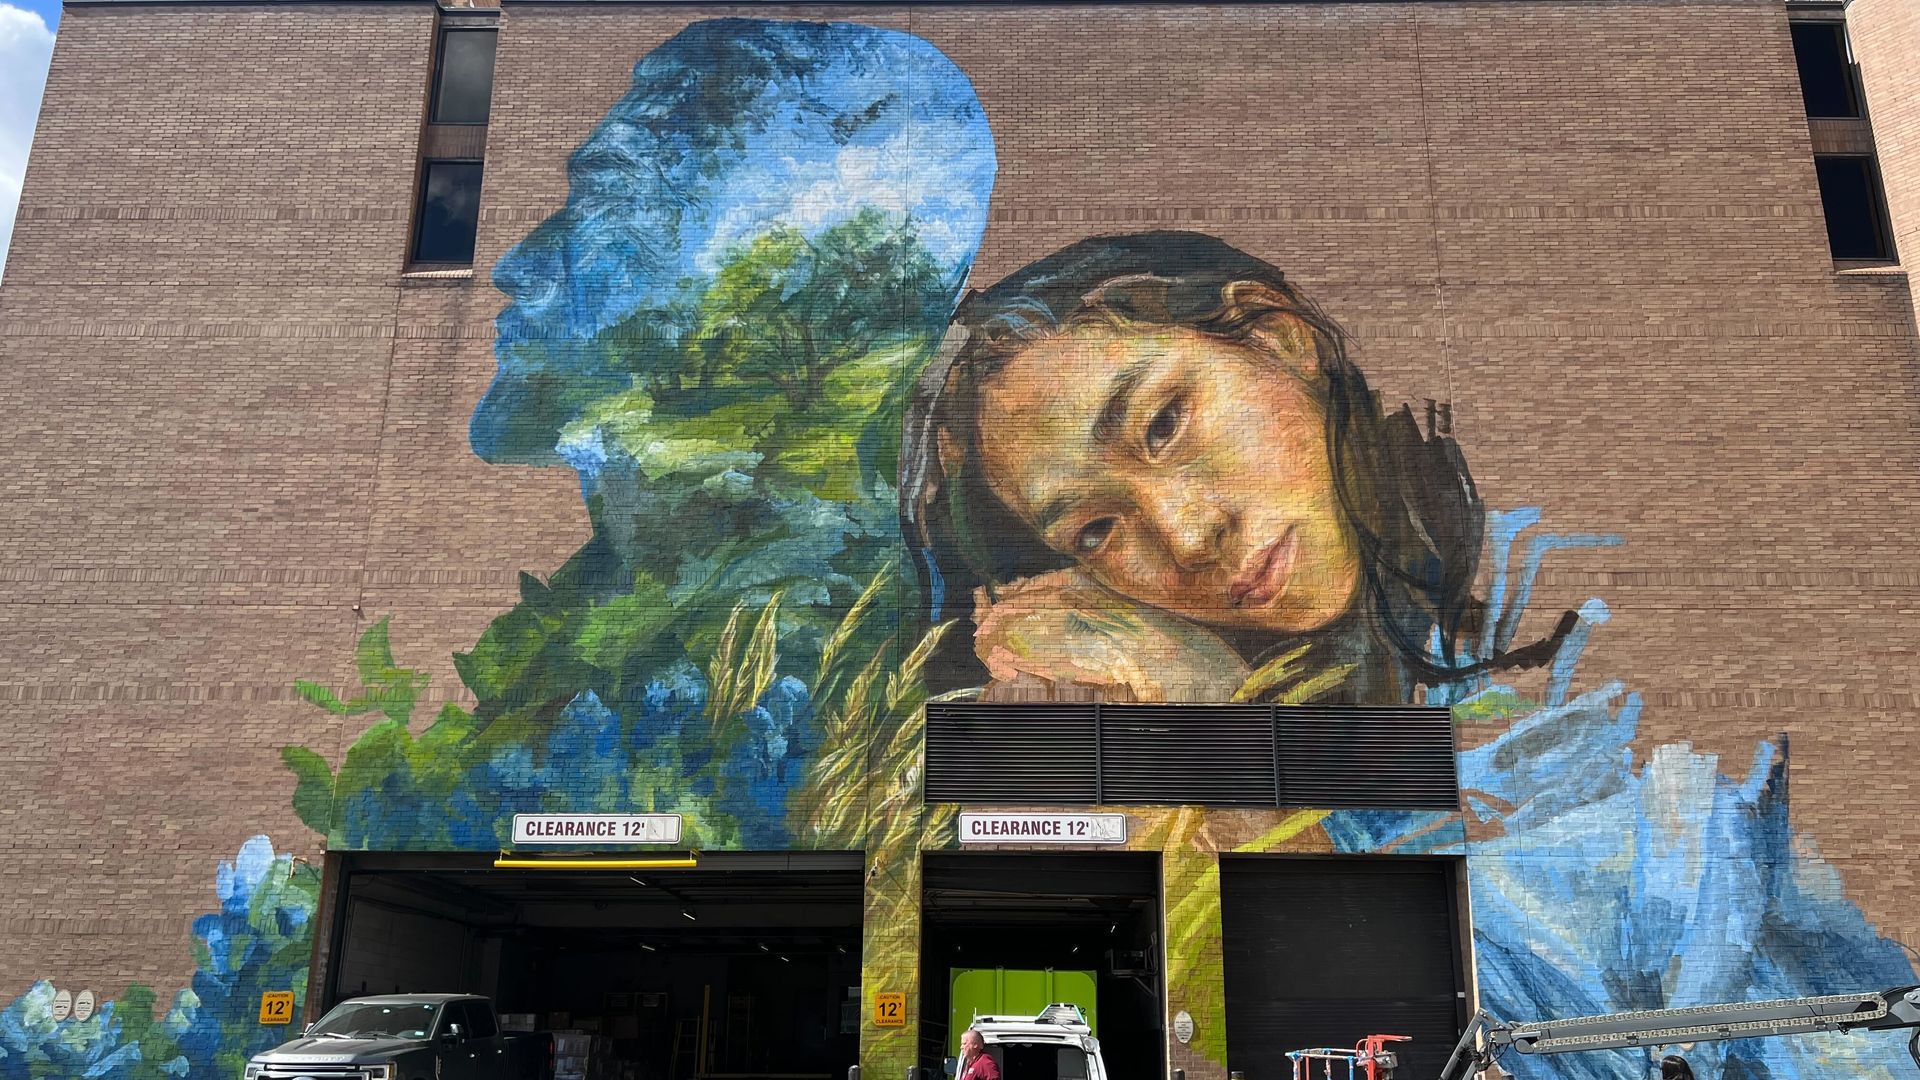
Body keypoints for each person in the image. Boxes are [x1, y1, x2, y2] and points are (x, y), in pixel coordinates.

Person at [902, 231, 1575, 704]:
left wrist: (1215, 703)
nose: (1188, 539)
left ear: (1277, 336)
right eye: (1095, 530)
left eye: (1163, 425)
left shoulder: (1545, 572)